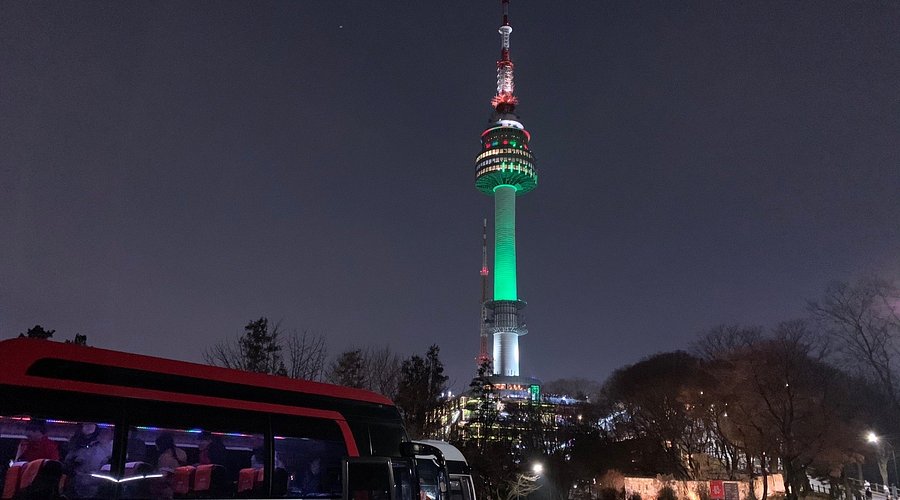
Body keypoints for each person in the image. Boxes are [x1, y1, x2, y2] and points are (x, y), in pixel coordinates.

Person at [64, 423, 110, 498]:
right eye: (86, 424)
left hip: (97, 488)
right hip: (76, 487)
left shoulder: (104, 446)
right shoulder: (75, 444)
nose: (88, 427)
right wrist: (73, 463)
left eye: (91, 424)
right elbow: (67, 465)